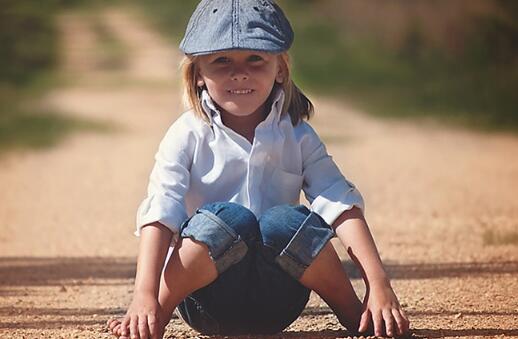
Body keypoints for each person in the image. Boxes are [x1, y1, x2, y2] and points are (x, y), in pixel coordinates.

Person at [108, 0, 410, 338]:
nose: (240, 72)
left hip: (278, 301)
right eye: (221, 61)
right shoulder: (186, 134)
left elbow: (339, 203)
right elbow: (162, 211)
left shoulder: (297, 134)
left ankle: (357, 315)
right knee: (230, 219)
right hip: (207, 301)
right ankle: (154, 320)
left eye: (256, 58)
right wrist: (144, 297)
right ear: (197, 75)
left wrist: (379, 284)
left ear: (280, 68)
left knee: (284, 222)